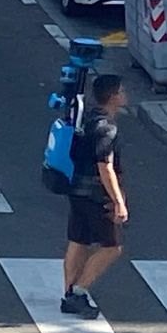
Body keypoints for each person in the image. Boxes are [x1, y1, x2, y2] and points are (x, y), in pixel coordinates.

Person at [61, 74, 130, 319]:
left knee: (78, 240)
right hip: (95, 194)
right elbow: (105, 167)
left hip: (75, 189)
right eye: (121, 91)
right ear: (112, 97)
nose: (124, 94)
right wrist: (119, 202)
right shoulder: (106, 129)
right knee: (112, 247)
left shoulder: (85, 118)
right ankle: (79, 292)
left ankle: (68, 294)